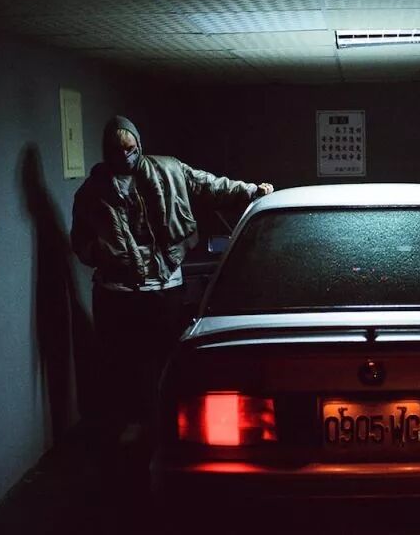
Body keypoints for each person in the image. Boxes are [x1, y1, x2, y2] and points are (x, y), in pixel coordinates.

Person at [71, 115, 273, 443]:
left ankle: (167, 422)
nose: (126, 156)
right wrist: (102, 253)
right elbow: (80, 241)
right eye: (118, 151)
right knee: (123, 361)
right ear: (107, 151)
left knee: (166, 357)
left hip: (165, 286)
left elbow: (209, 185)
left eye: (131, 149)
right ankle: (134, 424)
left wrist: (251, 191)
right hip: (117, 291)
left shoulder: (169, 170)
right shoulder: (92, 192)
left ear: (139, 145)